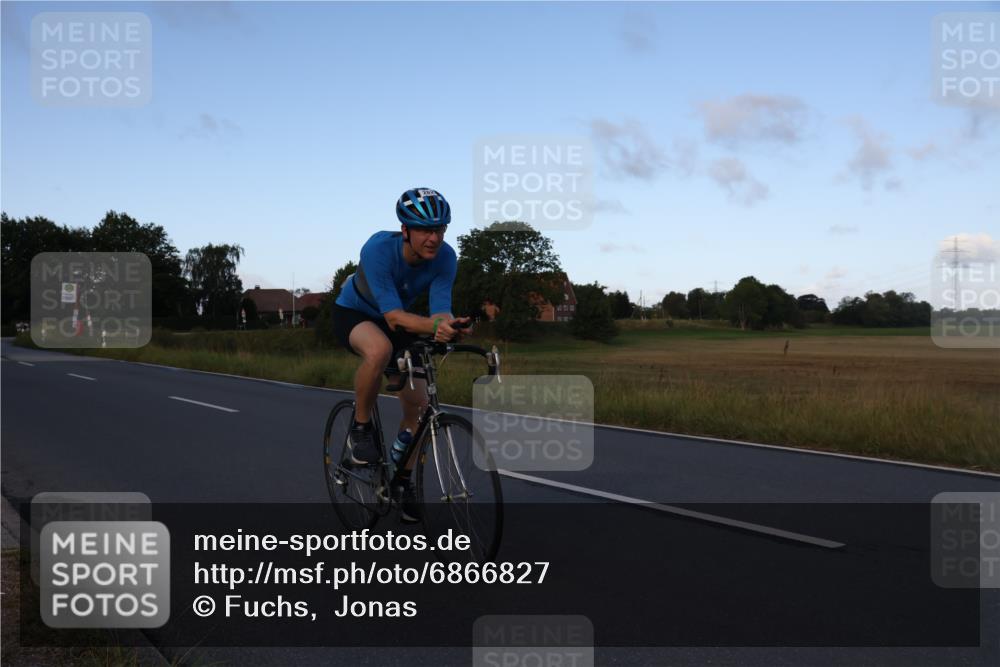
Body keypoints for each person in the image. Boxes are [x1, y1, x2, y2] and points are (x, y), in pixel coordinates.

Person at [332, 188, 471, 522]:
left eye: (440, 229)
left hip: (399, 322)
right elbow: (393, 317)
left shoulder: (446, 258)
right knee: (378, 349)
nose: (434, 238)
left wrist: (451, 326)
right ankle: (361, 428)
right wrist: (431, 325)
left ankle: (401, 482)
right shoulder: (378, 250)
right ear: (405, 230)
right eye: (424, 230)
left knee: (419, 406)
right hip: (356, 313)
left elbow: (439, 312)